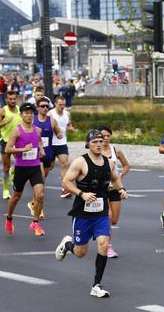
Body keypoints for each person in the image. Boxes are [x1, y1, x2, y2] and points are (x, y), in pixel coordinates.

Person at [54, 129, 128, 298]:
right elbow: (66, 181)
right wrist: (82, 194)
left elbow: (115, 178)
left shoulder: (108, 162)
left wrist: (122, 189)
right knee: (81, 253)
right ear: (87, 144)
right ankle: (68, 245)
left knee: (104, 243)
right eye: (94, 142)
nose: (98, 145)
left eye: (101, 141)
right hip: (82, 213)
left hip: (101, 212)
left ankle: (96, 284)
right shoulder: (81, 162)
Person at [4, 103, 46, 236]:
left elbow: (39, 141)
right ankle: (9, 218)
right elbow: (7, 149)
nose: (29, 115)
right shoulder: (16, 130)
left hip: (34, 167)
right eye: (26, 113)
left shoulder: (37, 130)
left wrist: (41, 149)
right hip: (21, 168)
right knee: (16, 196)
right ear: (21, 115)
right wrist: (23, 149)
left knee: (40, 195)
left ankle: (35, 222)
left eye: (31, 113)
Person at [30, 96, 63, 219]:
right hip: (36, 154)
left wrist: (59, 134)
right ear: (37, 107)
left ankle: (33, 201)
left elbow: (58, 131)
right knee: (41, 179)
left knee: (42, 181)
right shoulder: (32, 120)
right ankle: (38, 208)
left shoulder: (51, 120)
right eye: (42, 106)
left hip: (48, 153)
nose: (45, 108)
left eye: (46, 106)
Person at [99, 125, 129, 258]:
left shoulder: (115, 150)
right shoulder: (97, 151)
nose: (105, 138)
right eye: (102, 136)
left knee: (115, 220)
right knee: (109, 217)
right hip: (101, 189)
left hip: (114, 188)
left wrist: (120, 176)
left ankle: (101, 235)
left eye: (107, 136)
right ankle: (107, 246)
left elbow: (126, 165)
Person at [0, 90, 22, 199]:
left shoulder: (20, 110)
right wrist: (5, 122)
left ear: (17, 99)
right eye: (10, 99)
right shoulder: (2, 111)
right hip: (5, 141)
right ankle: (5, 190)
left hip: (18, 141)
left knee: (20, 164)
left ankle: (13, 171)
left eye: (14, 99)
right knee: (6, 167)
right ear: (6, 99)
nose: (12, 101)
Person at [49, 95, 75, 198]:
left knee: (65, 164)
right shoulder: (50, 114)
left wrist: (71, 128)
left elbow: (69, 124)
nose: (62, 107)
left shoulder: (67, 113)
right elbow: (45, 127)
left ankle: (65, 188)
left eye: (63, 105)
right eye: (60, 105)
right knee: (49, 167)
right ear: (55, 104)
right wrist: (55, 131)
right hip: (51, 144)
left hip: (62, 143)